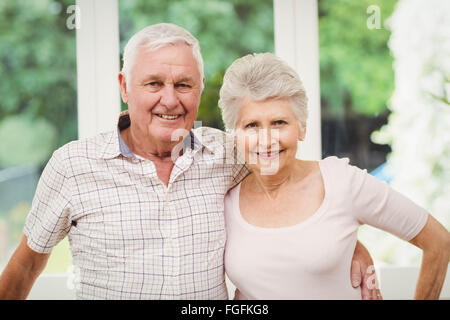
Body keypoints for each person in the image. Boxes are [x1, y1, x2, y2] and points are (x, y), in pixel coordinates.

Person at [0, 24, 376, 300]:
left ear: (199, 88)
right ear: (124, 87)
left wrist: (343, 239)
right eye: (153, 84)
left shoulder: (229, 154)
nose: (170, 99)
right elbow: (25, 266)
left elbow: (294, 184)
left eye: (183, 85)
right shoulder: (72, 165)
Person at [220, 52, 450, 300]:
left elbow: (438, 241)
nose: (266, 140)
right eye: (251, 125)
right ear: (235, 135)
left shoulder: (341, 182)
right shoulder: (224, 197)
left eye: (279, 122)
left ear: (302, 128)